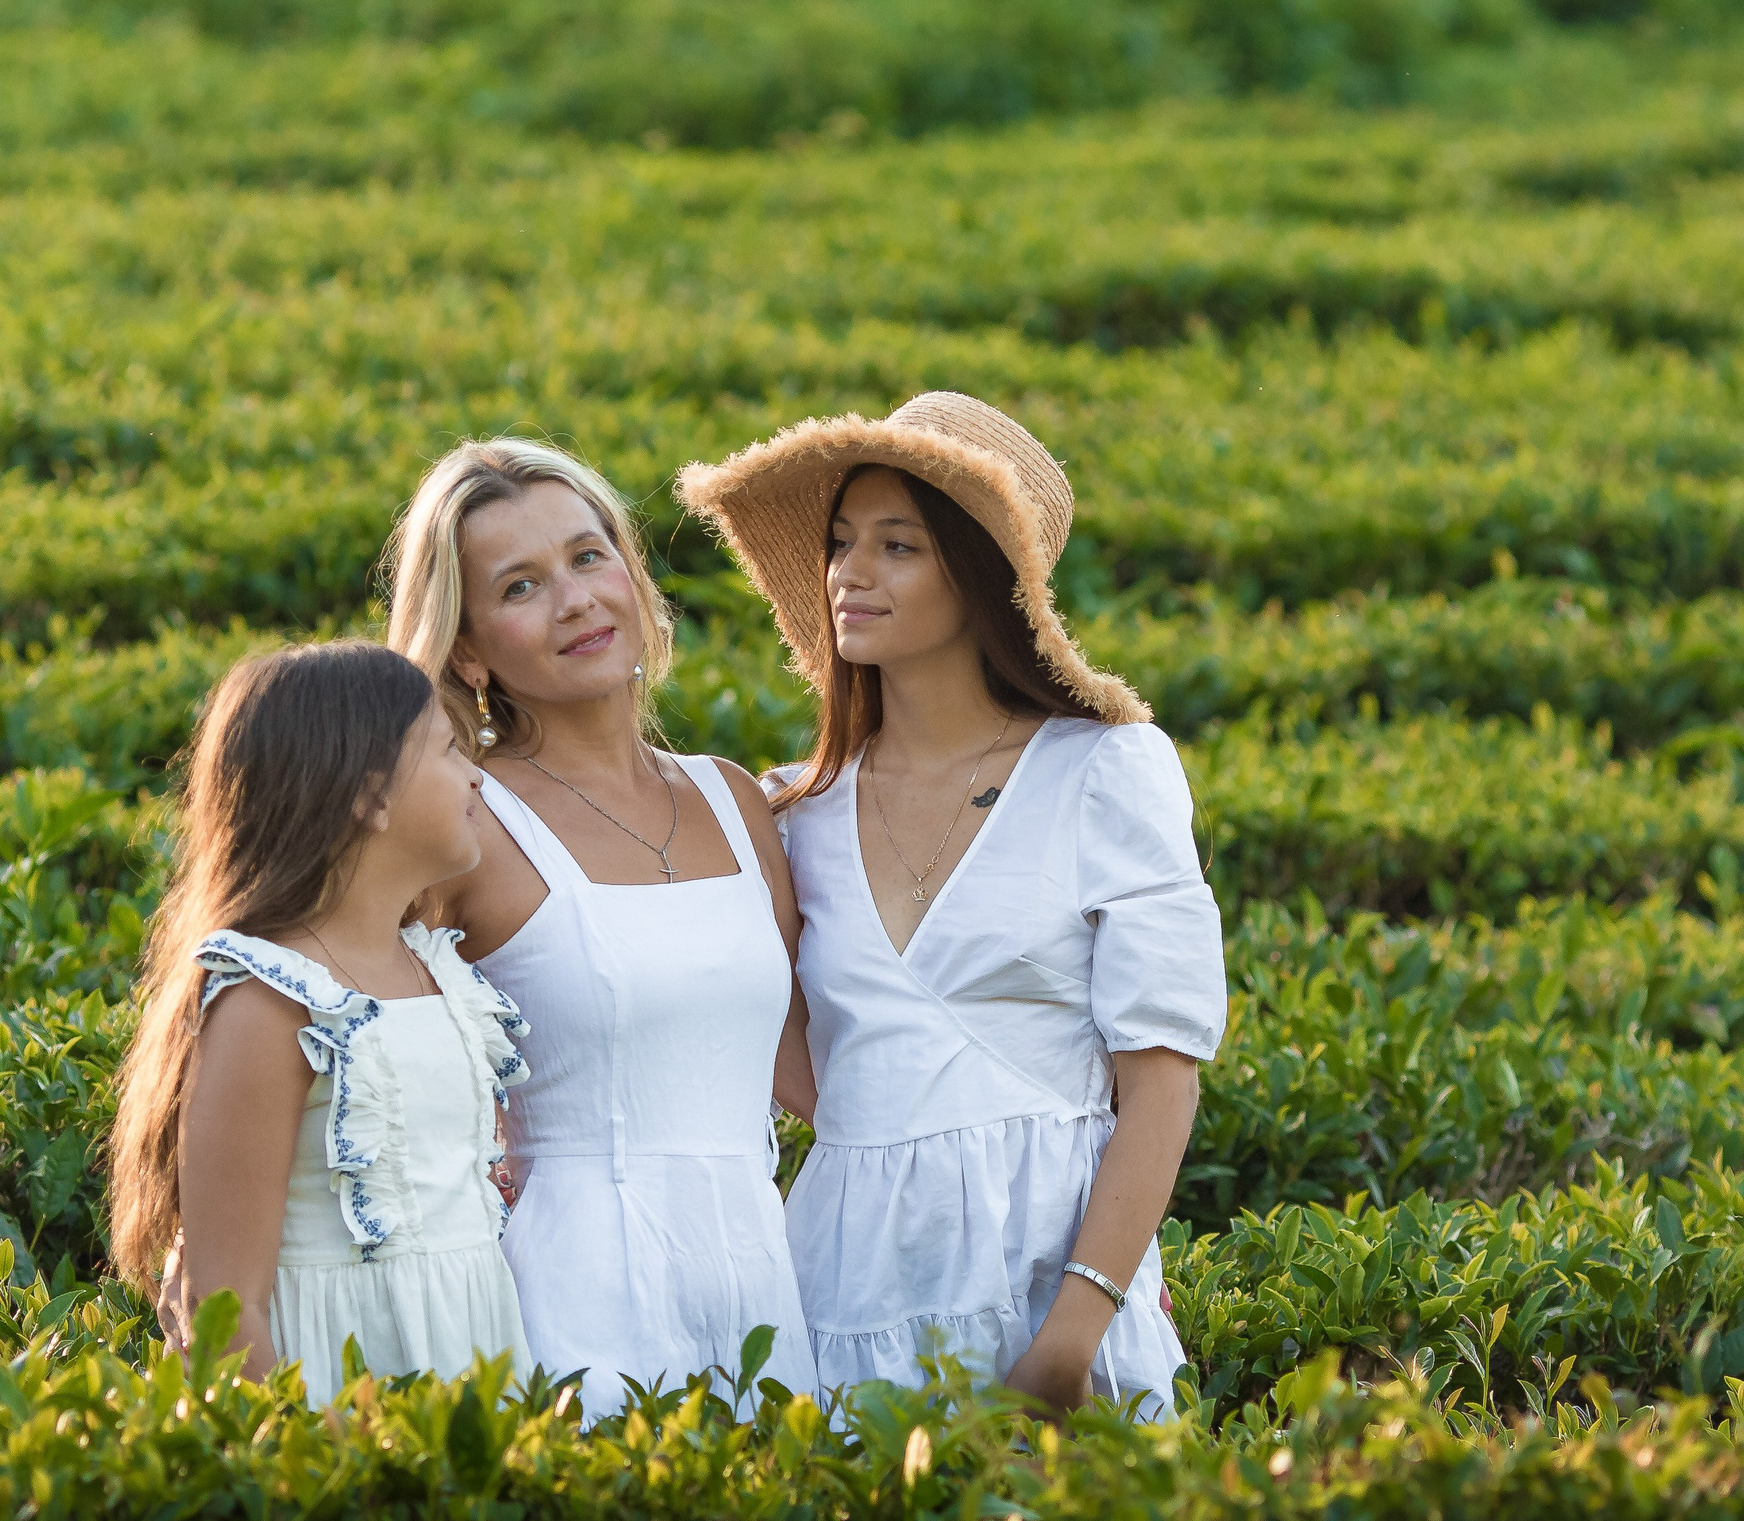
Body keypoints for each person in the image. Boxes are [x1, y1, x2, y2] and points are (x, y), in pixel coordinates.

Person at [676, 392, 1226, 1419]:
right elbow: (794, 1059)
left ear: (980, 576)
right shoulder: (794, 812)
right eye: (841, 542)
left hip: (1054, 1284)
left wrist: (1075, 1329)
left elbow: (1161, 1080)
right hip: (843, 1279)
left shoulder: (1105, 770)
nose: (850, 572)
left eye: (899, 546)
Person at [383, 436, 820, 1418]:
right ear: (467, 647)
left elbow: (814, 1075)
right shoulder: (462, 822)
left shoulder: (735, 800)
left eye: (589, 556)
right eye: (521, 586)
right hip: (567, 1300)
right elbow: (366, 1060)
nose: (576, 599)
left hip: (763, 1279)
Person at [106, 640, 535, 1407]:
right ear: (369, 796)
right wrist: (314, 1443)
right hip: (334, 1384)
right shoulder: (271, 1000)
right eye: (448, 750)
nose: (476, 774)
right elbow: (223, 1305)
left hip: (470, 1353)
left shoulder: (434, 967)